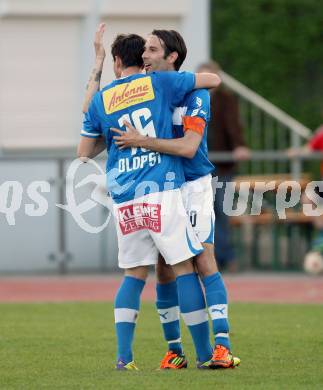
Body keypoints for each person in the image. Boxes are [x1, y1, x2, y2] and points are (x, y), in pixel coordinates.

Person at [78, 32, 222, 370]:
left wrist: (96, 67)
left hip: (125, 198)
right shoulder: (156, 82)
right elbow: (210, 79)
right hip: (160, 187)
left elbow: (84, 153)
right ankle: (203, 354)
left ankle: (124, 358)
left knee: (133, 275)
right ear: (138, 58)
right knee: (184, 267)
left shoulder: (101, 100)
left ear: (115, 62)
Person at [111, 31, 240, 369]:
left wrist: (141, 141)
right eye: (143, 51)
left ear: (172, 58)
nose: (145, 56)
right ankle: (174, 350)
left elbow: (188, 148)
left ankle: (222, 345)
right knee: (164, 269)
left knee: (203, 259)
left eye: (152, 50)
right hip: (161, 187)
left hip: (193, 185)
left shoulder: (195, 94)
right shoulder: (148, 89)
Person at [197, 61, 250, 272]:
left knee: (220, 211)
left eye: (211, 76)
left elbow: (233, 125)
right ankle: (199, 259)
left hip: (221, 166)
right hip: (195, 167)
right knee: (198, 213)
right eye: (203, 76)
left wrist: (239, 146)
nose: (208, 81)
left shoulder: (226, 100)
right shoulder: (188, 99)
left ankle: (225, 257)